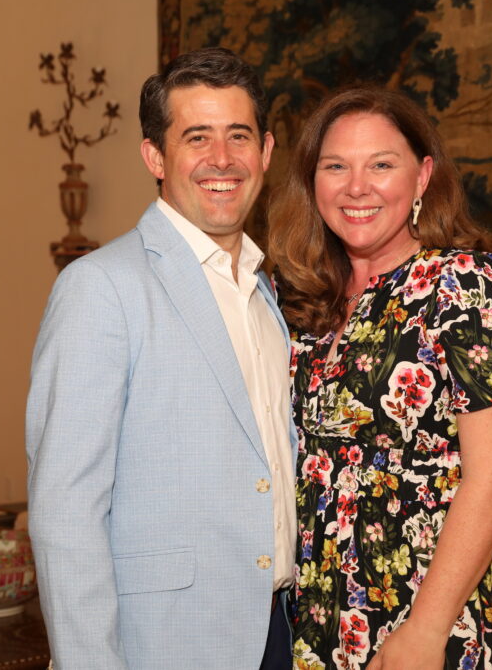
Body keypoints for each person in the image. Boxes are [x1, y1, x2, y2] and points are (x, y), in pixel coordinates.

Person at [268, 86, 492, 670]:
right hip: (315, 619)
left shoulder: (467, 285)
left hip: (428, 619)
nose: (358, 187)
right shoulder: (299, 299)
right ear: (312, 182)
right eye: (336, 166)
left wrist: (425, 630)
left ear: (423, 175)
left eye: (382, 164)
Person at [25, 47, 296, 669]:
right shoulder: (101, 287)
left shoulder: (266, 291)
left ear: (267, 152)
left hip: (277, 633)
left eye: (239, 136)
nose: (222, 159)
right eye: (196, 137)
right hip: (168, 643)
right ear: (155, 156)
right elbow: (66, 513)